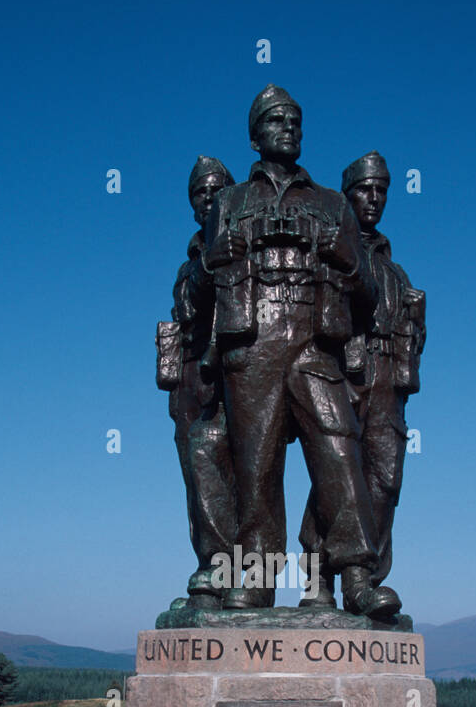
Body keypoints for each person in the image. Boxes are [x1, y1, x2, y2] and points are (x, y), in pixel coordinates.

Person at [199, 86, 400, 618]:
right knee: (258, 466)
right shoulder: (231, 202)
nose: (288, 127)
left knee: (339, 451)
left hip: (315, 342)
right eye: (276, 120)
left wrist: (348, 260)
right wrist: (210, 262)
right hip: (254, 344)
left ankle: (356, 577)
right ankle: (259, 581)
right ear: (254, 133)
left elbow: (369, 293)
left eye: (295, 120)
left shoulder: (332, 204)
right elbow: (197, 296)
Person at [301, 151, 425, 601]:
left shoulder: (395, 271)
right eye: (364, 190)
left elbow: (413, 336)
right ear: (347, 196)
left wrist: (415, 320)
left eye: (381, 191)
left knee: (386, 479)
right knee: (337, 473)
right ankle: (319, 575)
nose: (374, 199)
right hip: (345, 373)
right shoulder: (333, 253)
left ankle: (368, 577)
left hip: (389, 380)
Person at [156, 156, 237, 608]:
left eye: (215, 189)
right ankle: (210, 572)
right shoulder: (190, 263)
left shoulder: (240, 247)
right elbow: (186, 311)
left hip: (233, 372)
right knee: (197, 480)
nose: (207, 198)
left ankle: (242, 577)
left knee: (240, 478)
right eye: (199, 192)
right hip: (189, 376)